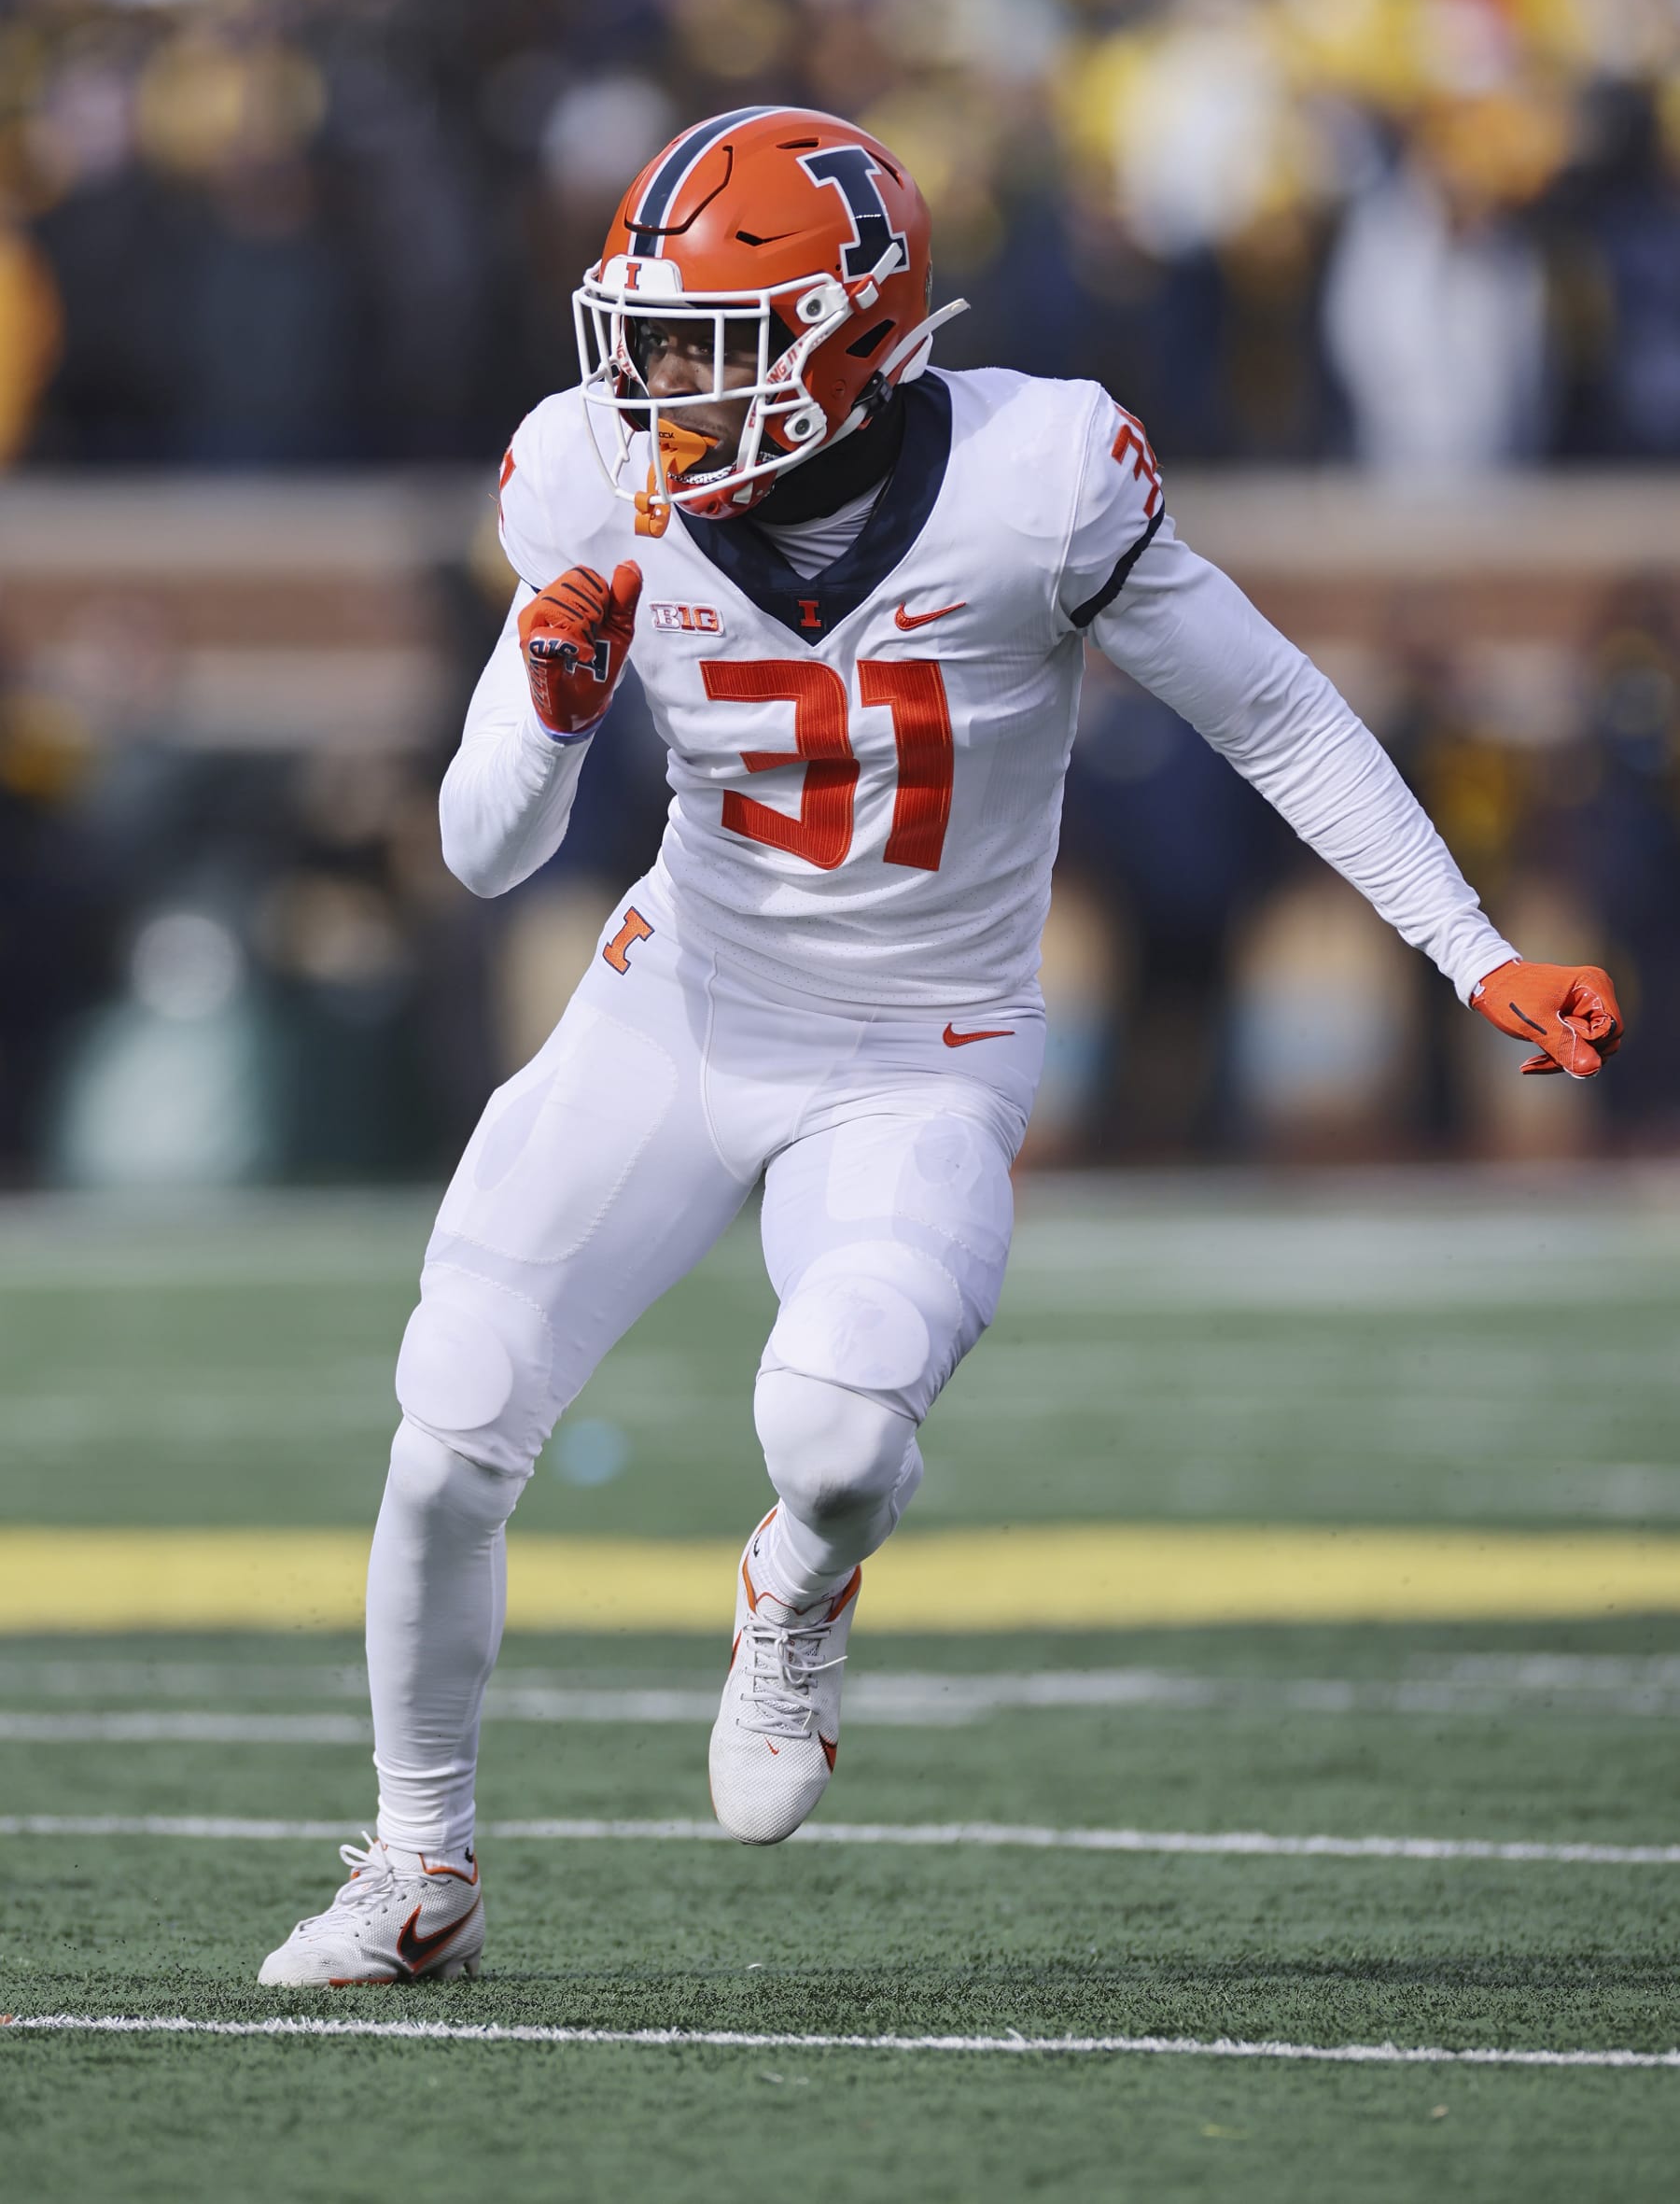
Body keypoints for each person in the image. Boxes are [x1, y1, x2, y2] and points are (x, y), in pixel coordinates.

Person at [259, 107, 1623, 1986]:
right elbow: (483, 851)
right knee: (448, 1424)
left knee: (827, 1433)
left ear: (847, 340)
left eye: (709, 347)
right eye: (644, 339)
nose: (657, 386)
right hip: (681, 1007)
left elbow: (1276, 715)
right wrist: (555, 711)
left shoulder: (1039, 471)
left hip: (922, 1046)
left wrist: (1469, 948)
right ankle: (420, 1870)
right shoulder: (593, 476)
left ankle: (797, 1592)